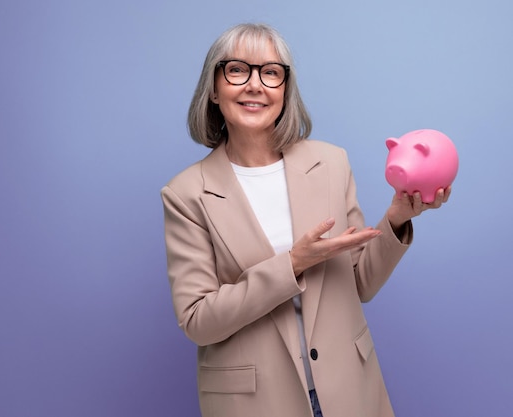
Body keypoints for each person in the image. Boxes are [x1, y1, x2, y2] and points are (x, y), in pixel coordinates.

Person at [160, 23, 451, 417]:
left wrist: (396, 218)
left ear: (285, 89)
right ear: (213, 88)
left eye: (271, 72)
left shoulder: (331, 162)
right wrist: (293, 263)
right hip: (256, 404)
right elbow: (198, 321)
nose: (255, 85)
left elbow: (360, 283)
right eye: (236, 70)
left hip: (349, 389)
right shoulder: (185, 194)